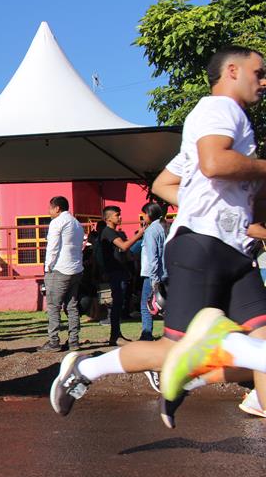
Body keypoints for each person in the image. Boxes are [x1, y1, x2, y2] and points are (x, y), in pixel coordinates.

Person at [50, 45, 266, 427]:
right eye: (259, 73)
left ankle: (202, 374)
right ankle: (86, 369)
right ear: (232, 71)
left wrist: (222, 210)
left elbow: (165, 183)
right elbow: (215, 164)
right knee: (173, 349)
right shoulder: (219, 110)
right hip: (204, 247)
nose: (263, 82)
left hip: (234, 250)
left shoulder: (228, 124)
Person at [39, 196, 84, 352]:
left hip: (59, 269)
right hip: (76, 269)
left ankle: (53, 341)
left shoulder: (57, 222)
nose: (49, 211)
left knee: (53, 306)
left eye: (50, 208)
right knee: (72, 306)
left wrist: (47, 267)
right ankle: (74, 341)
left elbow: (52, 247)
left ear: (57, 208)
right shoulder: (77, 223)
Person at [97, 206, 145, 345]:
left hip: (118, 271)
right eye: (117, 215)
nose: (120, 217)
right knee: (116, 304)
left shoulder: (112, 232)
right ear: (109, 218)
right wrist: (139, 234)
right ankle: (115, 336)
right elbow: (123, 246)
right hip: (114, 272)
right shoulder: (108, 232)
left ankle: (116, 334)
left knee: (119, 303)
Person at [139, 202, 168, 341]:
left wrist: (153, 279)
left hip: (152, 275)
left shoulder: (151, 231)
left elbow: (153, 256)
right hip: (166, 273)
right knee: (165, 306)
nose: (142, 217)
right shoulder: (164, 228)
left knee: (146, 306)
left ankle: (146, 334)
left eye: (143, 214)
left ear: (149, 214)